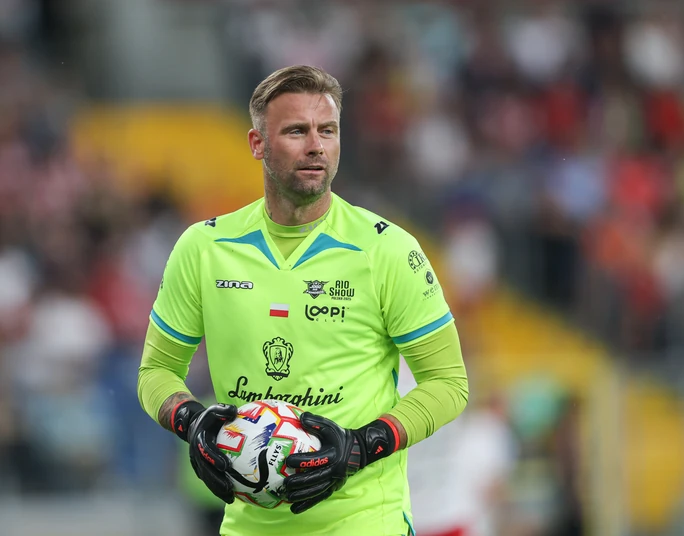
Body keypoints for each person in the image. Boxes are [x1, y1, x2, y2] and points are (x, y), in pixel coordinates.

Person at [137, 65, 469, 536]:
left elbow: (449, 383)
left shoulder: (387, 250)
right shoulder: (204, 249)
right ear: (257, 144)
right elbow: (155, 372)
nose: (316, 146)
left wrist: (362, 445)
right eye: (297, 131)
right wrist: (190, 421)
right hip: (248, 527)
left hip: (364, 524)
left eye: (327, 131)